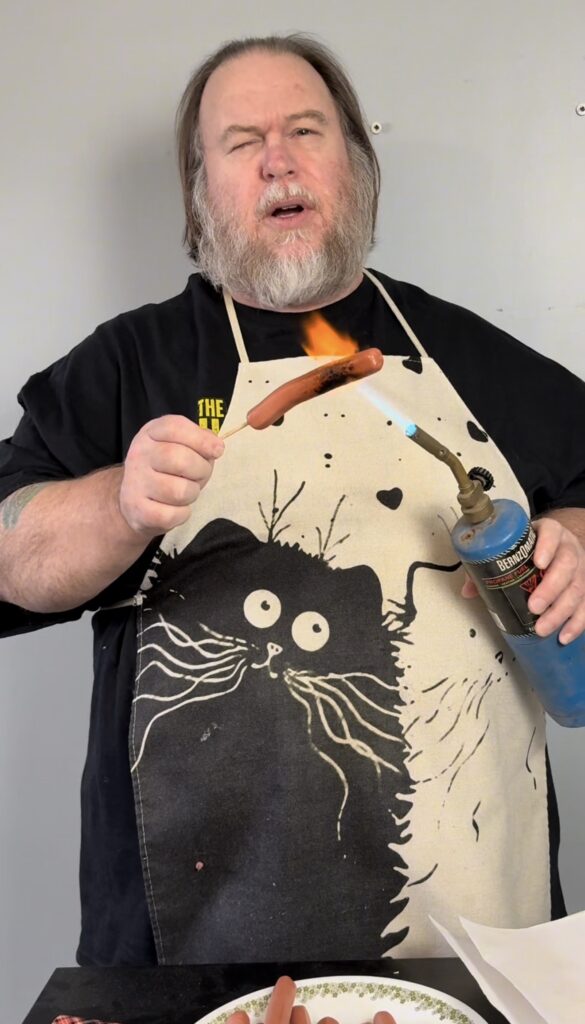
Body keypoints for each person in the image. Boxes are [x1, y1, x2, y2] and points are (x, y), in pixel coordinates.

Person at [1, 33, 584, 968]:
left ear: (355, 165)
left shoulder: (476, 358)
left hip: (474, 937)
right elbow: (8, 558)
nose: (277, 159)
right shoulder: (125, 367)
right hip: (188, 951)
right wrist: (119, 505)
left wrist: (571, 537)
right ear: (200, 190)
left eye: (305, 130)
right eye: (241, 142)